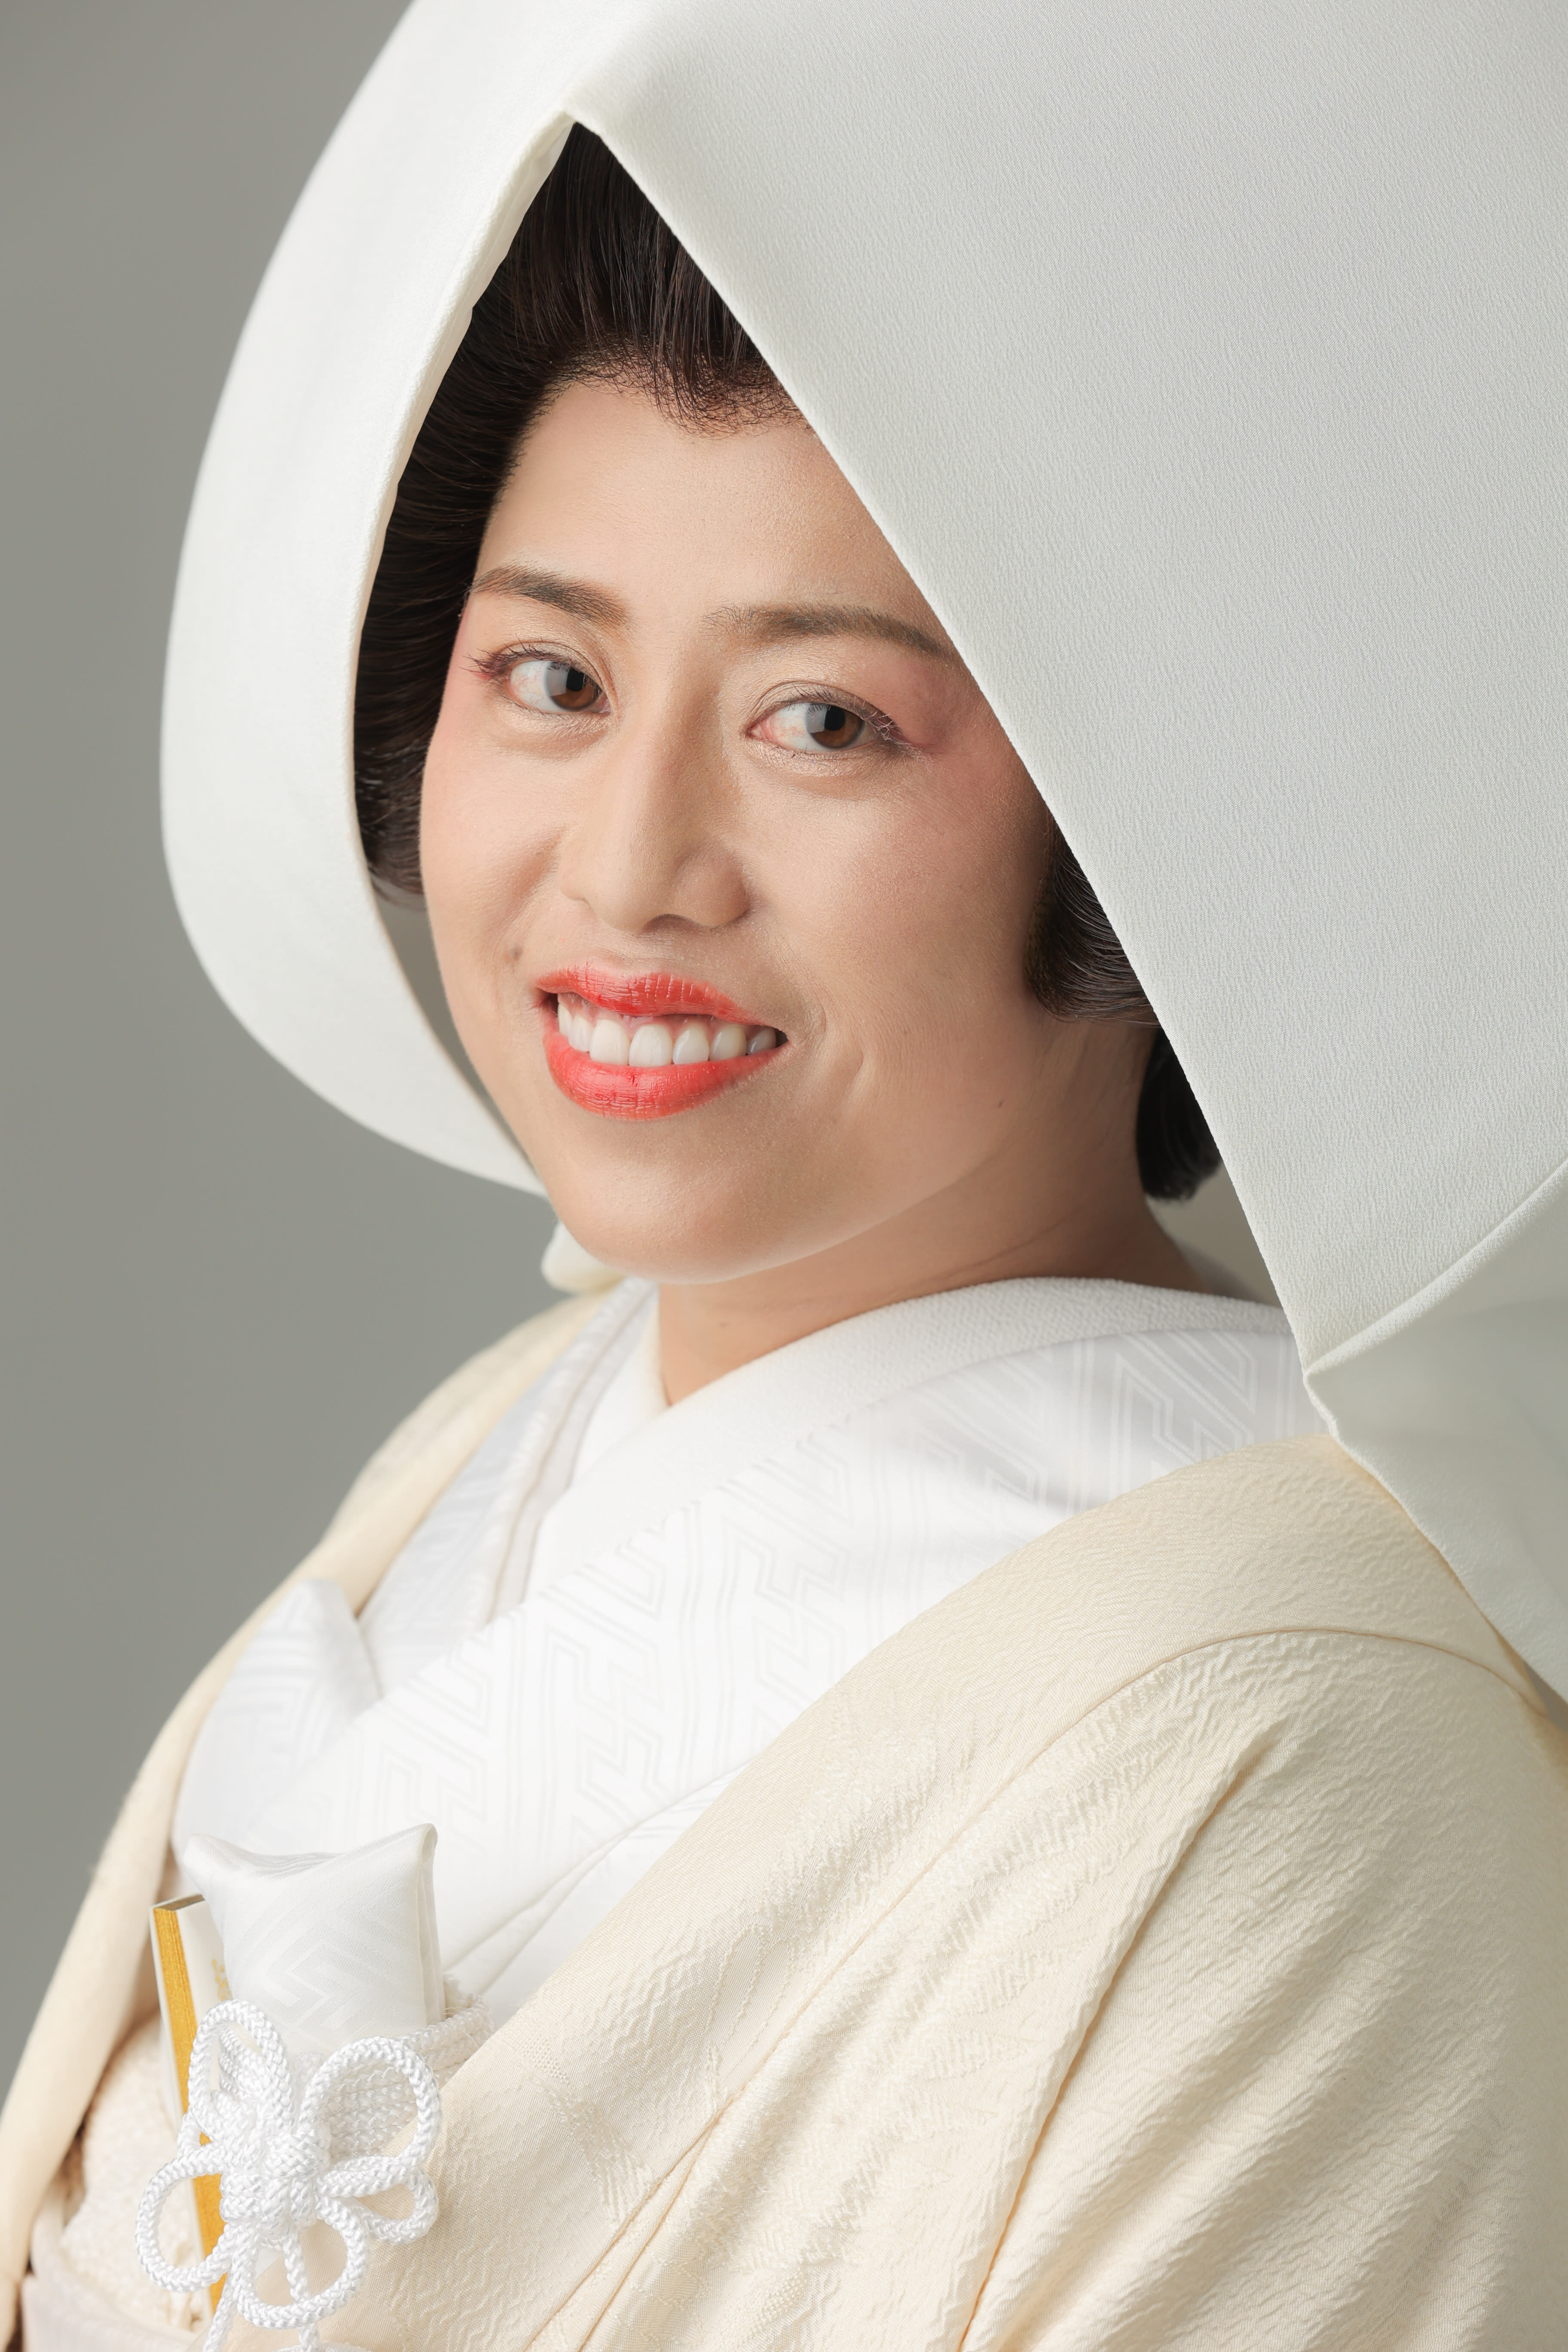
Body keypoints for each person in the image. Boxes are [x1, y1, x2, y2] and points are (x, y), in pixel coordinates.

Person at [5, 5, 1567, 2347]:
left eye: (821, 722)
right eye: (550, 679)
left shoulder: (1316, 1748)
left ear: (1140, 830)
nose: (631, 864)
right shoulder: (497, 1454)